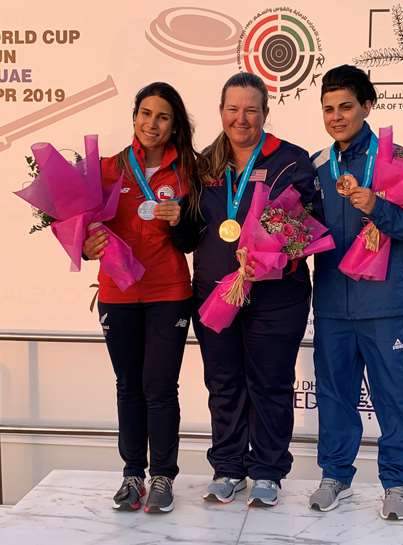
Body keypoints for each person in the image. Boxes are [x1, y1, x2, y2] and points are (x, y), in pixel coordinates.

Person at [309, 65, 403, 520]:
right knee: (332, 393)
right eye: (328, 109)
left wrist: (378, 207)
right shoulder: (316, 167)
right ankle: (335, 475)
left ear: (368, 106)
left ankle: (398, 481)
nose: (336, 117)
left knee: (391, 394)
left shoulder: (401, 161)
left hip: (385, 304)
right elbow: (303, 231)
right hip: (330, 303)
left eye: (346, 106)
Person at [190, 72, 316, 507]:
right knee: (223, 383)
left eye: (250, 109)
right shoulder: (203, 164)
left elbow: (310, 230)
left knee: (270, 383)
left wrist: (277, 253)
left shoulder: (292, 161)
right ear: (221, 111)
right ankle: (227, 467)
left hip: (276, 298)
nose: (240, 118)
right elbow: (192, 232)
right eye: (232, 109)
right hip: (216, 294)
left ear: (265, 111)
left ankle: (267, 472)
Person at [83, 82, 199, 513]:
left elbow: (192, 241)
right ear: (135, 117)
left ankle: (163, 477)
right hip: (118, 292)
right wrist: (82, 247)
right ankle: (133, 474)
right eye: (146, 114)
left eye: (163, 117)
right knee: (128, 386)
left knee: (160, 386)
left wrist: (179, 221)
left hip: (168, 291)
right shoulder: (109, 168)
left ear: (174, 127)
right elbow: (85, 228)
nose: (152, 123)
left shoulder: (188, 172)